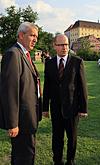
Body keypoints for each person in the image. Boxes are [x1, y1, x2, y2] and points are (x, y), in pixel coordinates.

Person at [0, 22, 42, 165]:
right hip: (21, 121)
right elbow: (9, 91)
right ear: (21, 35)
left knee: (23, 155)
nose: (35, 39)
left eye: (36, 36)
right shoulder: (13, 54)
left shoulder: (24, 54)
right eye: (32, 35)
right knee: (24, 157)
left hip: (29, 117)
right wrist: (13, 123)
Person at [42, 34, 88, 165]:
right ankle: (57, 161)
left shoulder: (77, 62)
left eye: (66, 44)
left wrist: (83, 108)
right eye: (61, 45)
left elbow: (82, 87)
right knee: (57, 137)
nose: (64, 47)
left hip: (72, 108)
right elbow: (47, 87)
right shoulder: (49, 63)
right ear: (54, 46)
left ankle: (70, 161)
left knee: (72, 137)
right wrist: (45, 108)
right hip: (56, 108)